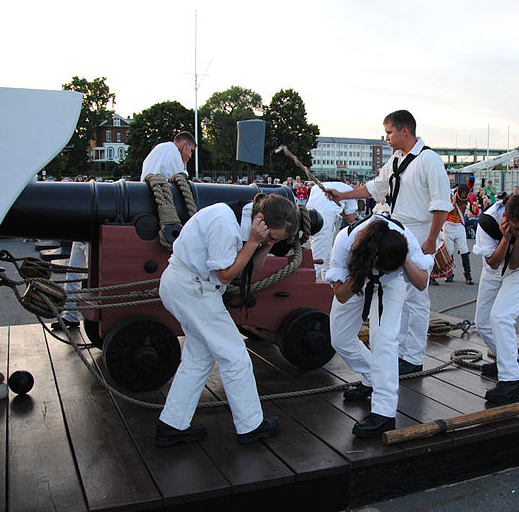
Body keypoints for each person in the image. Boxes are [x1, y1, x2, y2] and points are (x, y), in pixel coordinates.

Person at [155, 193, 299, 446]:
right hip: (193, 288)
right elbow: (224, 275)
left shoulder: (246, 227)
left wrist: (262, 244)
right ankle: (250, 425)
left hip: (188, 287)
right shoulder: (224, 221)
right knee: (235, 357)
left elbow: (250, 270)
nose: (272, 242)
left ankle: (172, 424)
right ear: (261, 219)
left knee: (198, 358)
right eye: (273, 236)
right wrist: (255, 241)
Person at [325, 110, 450, 376]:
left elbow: (441, 205)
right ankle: (399, 353)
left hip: (418, 231)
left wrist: (430, 240)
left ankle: (413, 357)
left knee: (416, 298)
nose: (386, 138)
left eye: (390, 132)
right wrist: (342, 194)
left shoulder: (430, 160)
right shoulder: (395, 161)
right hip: (394, 230)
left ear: (405, 131)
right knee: (396, 297)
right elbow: (374, 188)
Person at [327, 216, 432, 436]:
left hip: (391, 284)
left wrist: (404, 260)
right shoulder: (345, 242)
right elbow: (341, 295)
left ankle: (384, 413)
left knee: (383, 339)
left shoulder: (403, 241)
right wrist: (362, 270)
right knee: (340, 339)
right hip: (357, 275)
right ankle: (372, 377)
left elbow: (421, 283)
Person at [473, 194, 519, 404]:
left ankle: (510, 381)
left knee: (501, 317)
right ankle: (506, 359)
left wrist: (518, 237)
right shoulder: (487, 222)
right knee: (482, 323)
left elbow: (515, 264)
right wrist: (505, 238)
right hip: (493, 268)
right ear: (505, 218)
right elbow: (493, 263)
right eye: (518, 228)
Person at [306, 182, 359, 281]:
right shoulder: (349, 190)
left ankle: (329, 287)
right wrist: (343, 210)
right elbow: (351, 218)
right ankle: (301, 289)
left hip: (309, 217)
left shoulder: (316, 187)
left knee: (328, 260)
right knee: (317, 261)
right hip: (324, 220)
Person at [440, 183, 474, 285]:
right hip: (448, 226)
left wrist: (470, 204)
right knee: (449, 251)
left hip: (459, 226)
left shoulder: (467, 200)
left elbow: (475, 211)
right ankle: (449, 274)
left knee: (464, 250)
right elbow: (446, 210)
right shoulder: (449, 199)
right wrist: (453, 203)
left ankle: (468, 275)